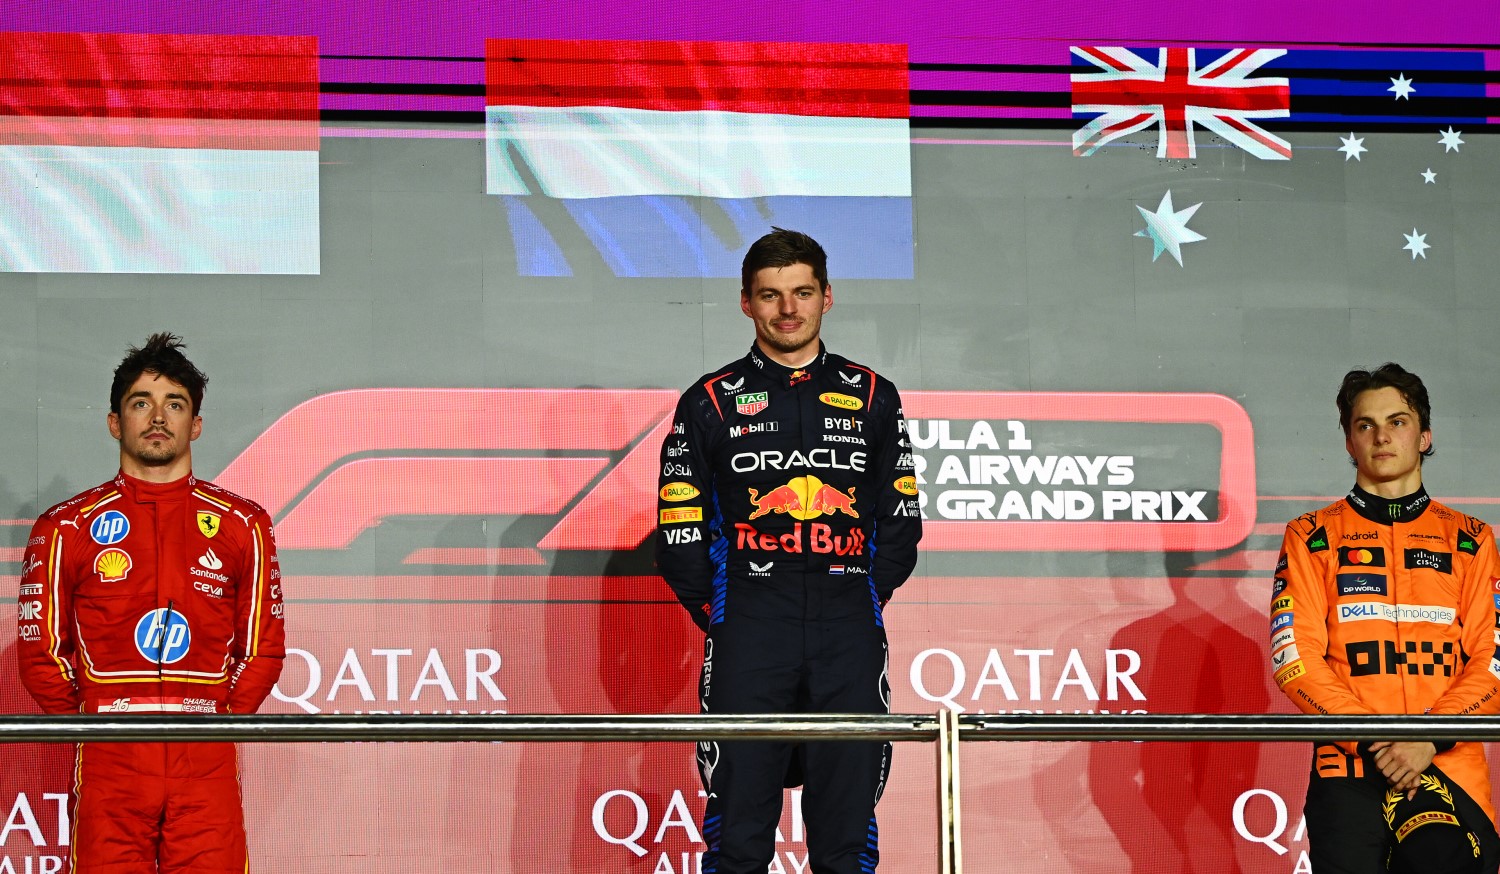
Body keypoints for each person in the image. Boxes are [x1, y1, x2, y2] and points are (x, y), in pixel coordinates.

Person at [656, 228, 921, 873]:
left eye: (801, 292)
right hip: (750, 631)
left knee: (846, 837)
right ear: (746, 303)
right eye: (770, 296)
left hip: (848, 631)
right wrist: (731, 609)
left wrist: (853, 592)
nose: (787, 309)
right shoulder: (709, 401)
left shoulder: (873, 396)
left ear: (827, 297)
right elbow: (679, 531)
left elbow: (901, 524)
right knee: (738, 837)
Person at [16, 333, 285, 873]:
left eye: (175, 405)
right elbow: (39, 653)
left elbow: (264, 649)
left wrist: (215, 723)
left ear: (197, 425)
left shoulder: (242, 524)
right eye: (141, 403)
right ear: (116, 421)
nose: (158, 417)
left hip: (204, 761)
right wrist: (97, 725)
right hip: (110, 763)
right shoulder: (66, 526)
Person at [1273, 363, 1500, 874]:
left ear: (1424, 436)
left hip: (1451, 764)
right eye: (1364, 425)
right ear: (1349, 442)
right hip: (1349, 769)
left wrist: (1426, 739)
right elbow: (1295, 658)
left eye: (1397, 422)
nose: (1381, 436)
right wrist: (1379, 740)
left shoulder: (1471, 540)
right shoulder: (1312, 536)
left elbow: (1494, 660)